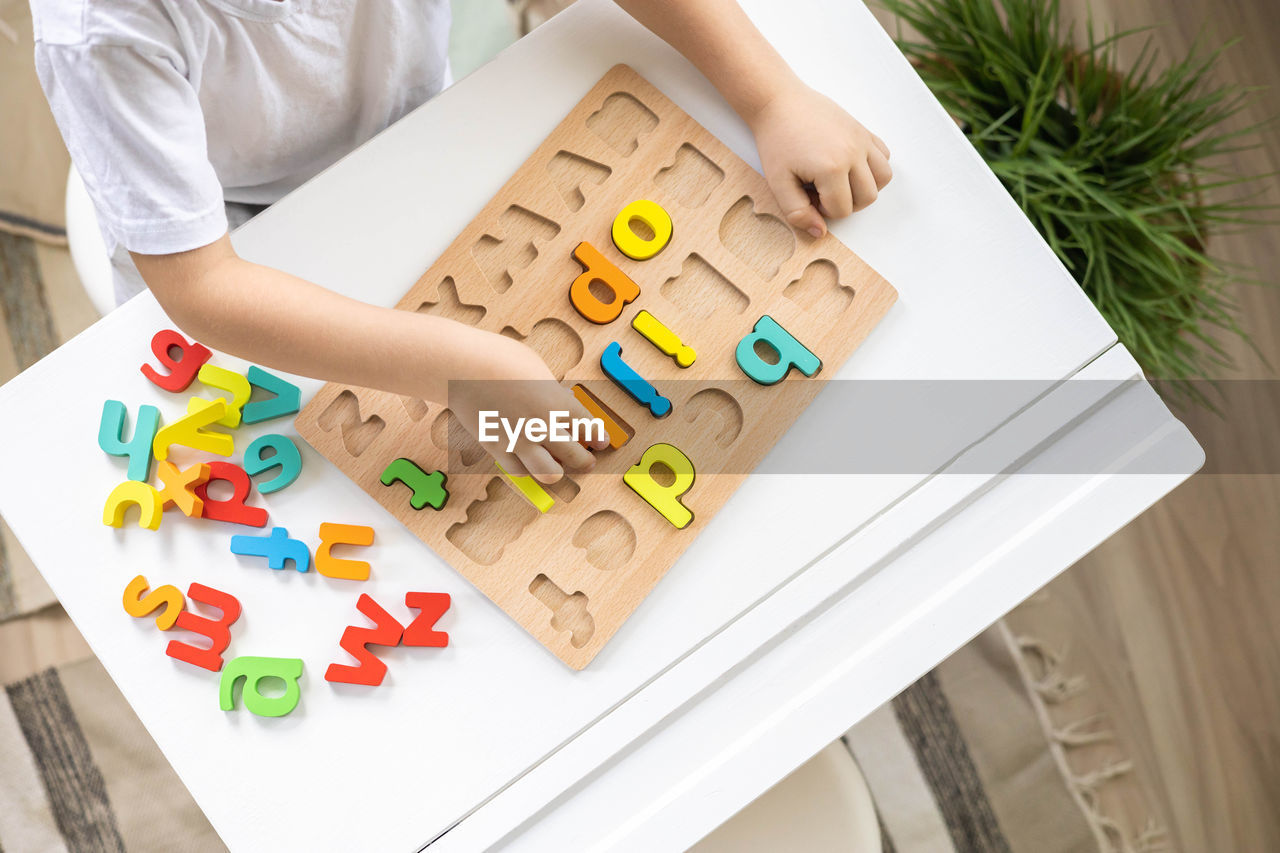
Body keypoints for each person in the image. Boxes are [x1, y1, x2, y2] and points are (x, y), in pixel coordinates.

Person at [33, 0, 892, 482]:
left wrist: (771, 94)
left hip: (425, 151)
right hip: (245, 246)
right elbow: (201, 289)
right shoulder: (100, 29)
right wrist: (463, 371)